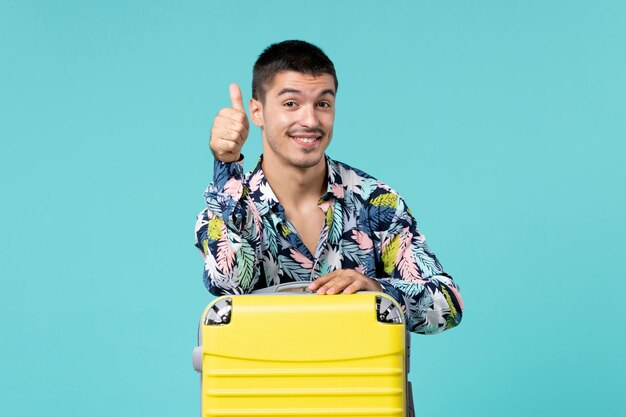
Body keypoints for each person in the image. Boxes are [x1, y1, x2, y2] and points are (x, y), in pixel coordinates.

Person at [194, 40, 463, 334]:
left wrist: (376, 290)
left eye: (322, 104)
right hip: (265, 377)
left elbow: (447, 305)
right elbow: (229, 282)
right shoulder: (226, 207)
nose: (309, 120)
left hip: (362, 377)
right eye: (291, 104)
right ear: (257, 112)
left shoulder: (375, 201)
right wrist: (226, 164)